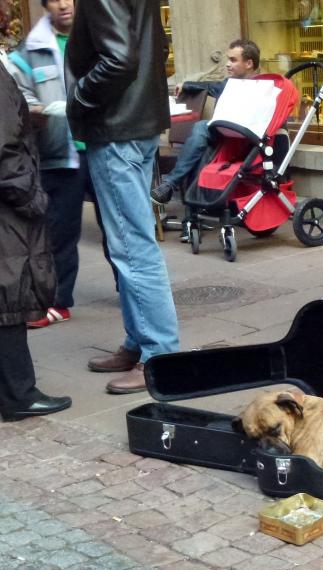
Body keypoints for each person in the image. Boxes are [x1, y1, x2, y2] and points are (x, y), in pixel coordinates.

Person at [66, 0, 179, 394]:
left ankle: (157, 355)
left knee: (132, 248)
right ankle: (139, 342)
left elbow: (118, 59)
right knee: (128, 246)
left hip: (118, 128)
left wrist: (78, 97)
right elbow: (156, 47)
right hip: (136, 122)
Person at [0, 0, 72, 421]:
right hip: (8, 201)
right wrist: (31, 198)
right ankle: (18, 395)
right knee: (8, 295)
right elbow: (5, 147)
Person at [7, 0, 93, 329]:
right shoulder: (30, 50)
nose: (64, 4)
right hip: (60, 154)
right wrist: (41, 110)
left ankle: (132, 292)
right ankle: (58, 300)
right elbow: (18, 96)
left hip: (101, 146)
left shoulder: (95, 36)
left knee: (120, 232)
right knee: (61, 232)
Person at [150, 39, 261, 205]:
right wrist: (186, 85)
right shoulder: (227, 84)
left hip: (247, 139)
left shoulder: (264, 87)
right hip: (223, 135)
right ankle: (175, 190)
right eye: (227, 59)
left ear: (249, 63)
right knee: (200, 142)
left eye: (233, 60)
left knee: (201, 128)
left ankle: (171, 183)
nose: (227, 64)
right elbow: (209, 86)